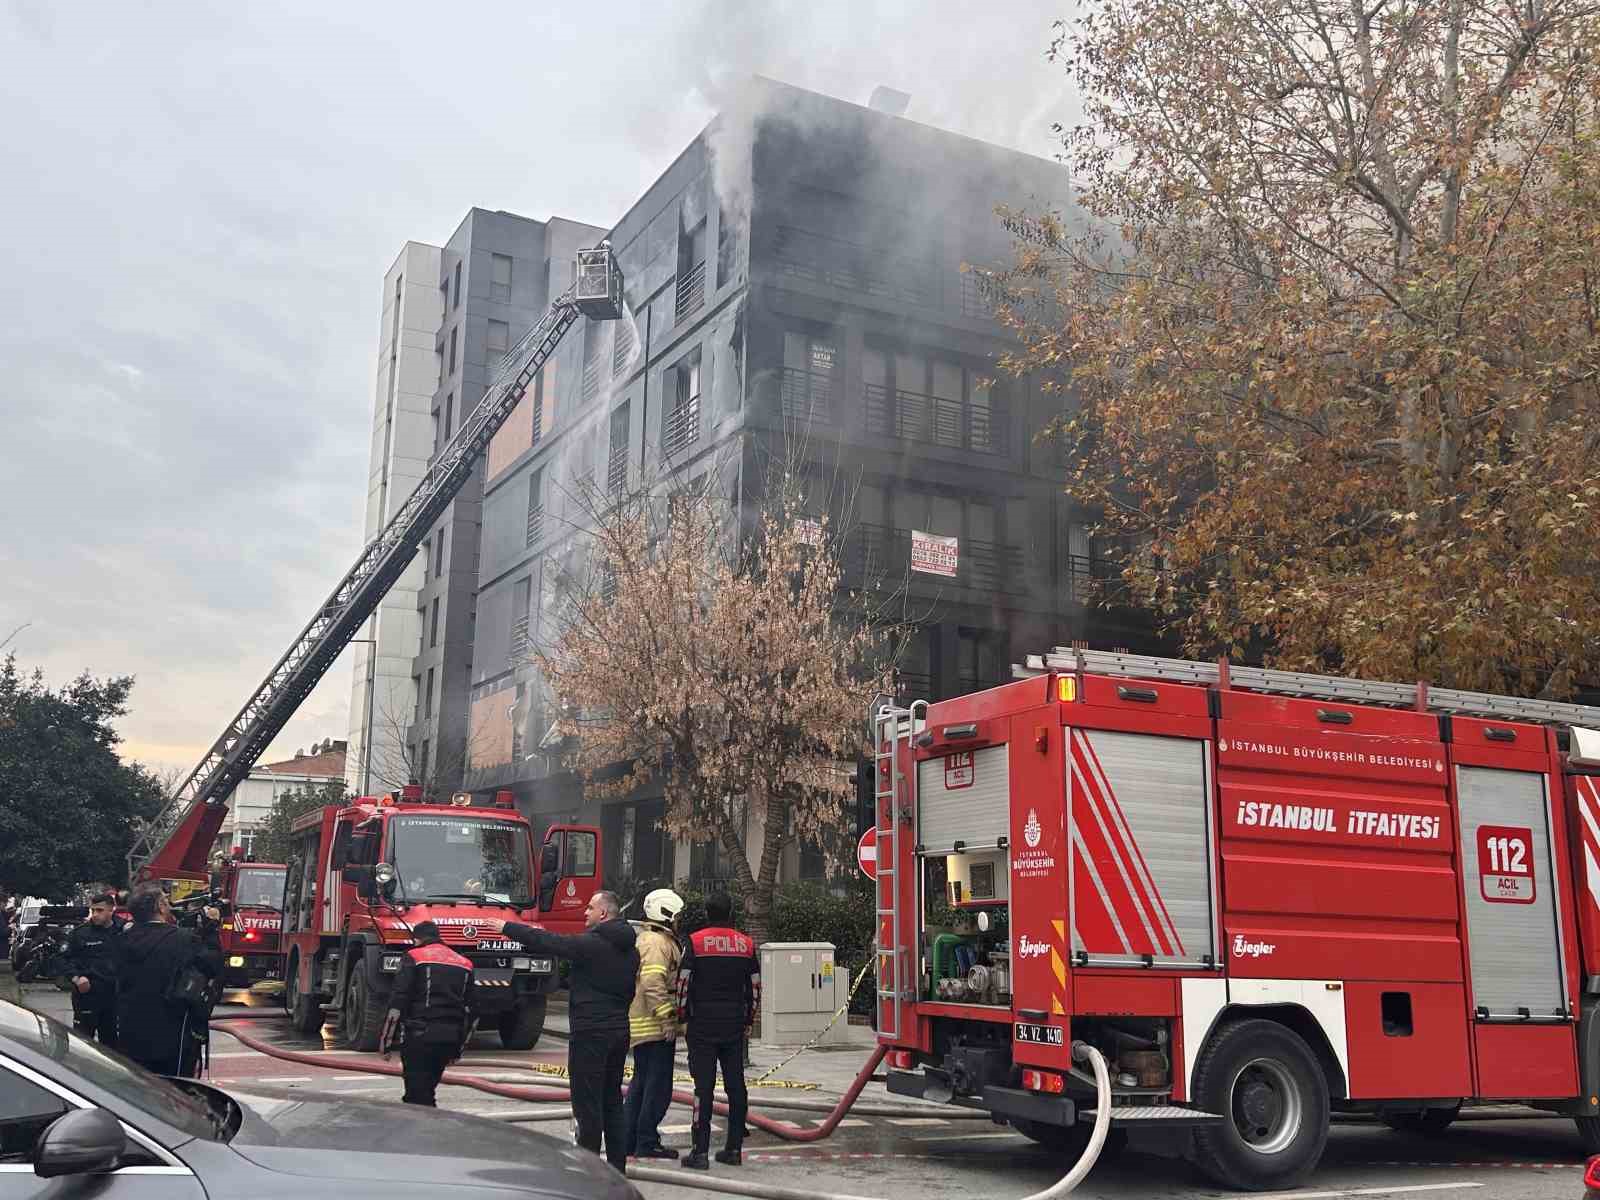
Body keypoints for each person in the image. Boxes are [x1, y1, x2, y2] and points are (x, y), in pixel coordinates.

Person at [489, 892, 638, 1171]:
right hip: (619, 1030)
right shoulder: (631, 949)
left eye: (590, 907)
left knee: (587, 1104)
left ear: (604, 914)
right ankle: (617, 1168)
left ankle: (589, 1169)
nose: (585, 913)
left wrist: (507, 928)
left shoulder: (592, 944)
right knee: (612, 1101)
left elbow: (549, 942)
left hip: (590, 1031)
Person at [677, 892, 760, 1170]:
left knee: (704, 1087)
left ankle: (699, 1152)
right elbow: (755, 987)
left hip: (702, 1023)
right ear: (731, 912)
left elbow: (683, 983)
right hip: (734, 1023)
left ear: (706, 912)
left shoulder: (696, 942)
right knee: (736, 1086)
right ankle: (734, 1148)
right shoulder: (746, 944)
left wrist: (682, 1015)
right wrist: (749, 1019)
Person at [116, 883, 222, 1077]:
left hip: (130, 1031)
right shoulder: (183, 940)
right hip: (174, 1033)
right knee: (175, 1090)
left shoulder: (122, 940)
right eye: (166, 901)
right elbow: (211, 966)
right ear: (160, 906)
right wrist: (212, 928)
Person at [380, 920, 475, 1106]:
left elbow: (398, 1001)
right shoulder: (465, 963)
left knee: (416, 1095)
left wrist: (386, 1043)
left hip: (419, 1037)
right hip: (449, 1038)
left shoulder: (414, 957)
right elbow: (472, 1011)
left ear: (417, 939)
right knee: (427, 1089)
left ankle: (423, 1130)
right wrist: (459, 1049)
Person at [624, 888, 685, 1160]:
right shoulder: (657, 943)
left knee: (642, 1084)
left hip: (644, 1024)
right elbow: (652, 982)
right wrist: (668, 1019)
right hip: (654, 1026)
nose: (679, 920)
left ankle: (631, 1139)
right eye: (677, 915)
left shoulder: (648, 939)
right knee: (656, 1088)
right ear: (666, 914)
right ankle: (646, 1140)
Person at [62, 892, 123, 1046]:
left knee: (112, 1046)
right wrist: (76, 978)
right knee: (83, 1043)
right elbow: (61, 959)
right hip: (87, 995)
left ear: (111, 910)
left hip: (114, 998)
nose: (95, 915)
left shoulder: (123, 930)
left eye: (100, 910)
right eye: (93, 910)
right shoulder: (80, 933)